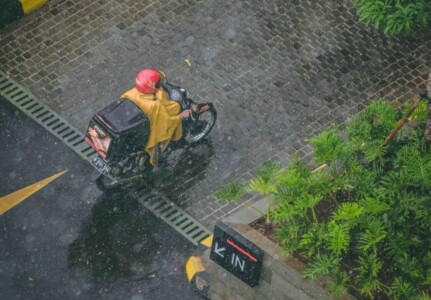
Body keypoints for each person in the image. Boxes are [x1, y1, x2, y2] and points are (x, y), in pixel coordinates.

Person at [121, 69, 191, 166]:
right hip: (147, 134)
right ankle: (158, 161)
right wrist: (180, 116)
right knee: (159, 144)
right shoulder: (154, 105)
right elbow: (166, 123)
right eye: (158, 84)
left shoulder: (131, 93)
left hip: (132, 125)